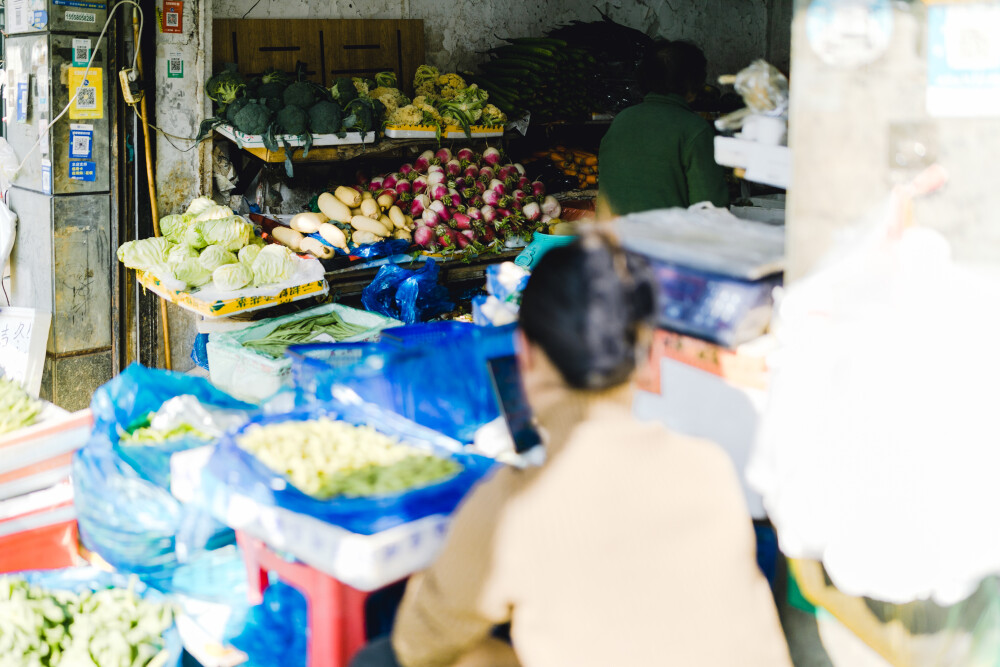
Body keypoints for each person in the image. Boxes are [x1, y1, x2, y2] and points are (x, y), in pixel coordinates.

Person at [351, 231, 791, 667]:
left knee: (381, 658)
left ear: (525, 354)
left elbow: (418, 644)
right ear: (648, 356)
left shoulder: (514, 506)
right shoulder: (708, 466)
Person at [597, 40, 730, 218]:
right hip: (665, 243)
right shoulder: (695, 130)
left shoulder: (621, 120)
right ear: (692, 84)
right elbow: (711, 211)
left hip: (613, 241)